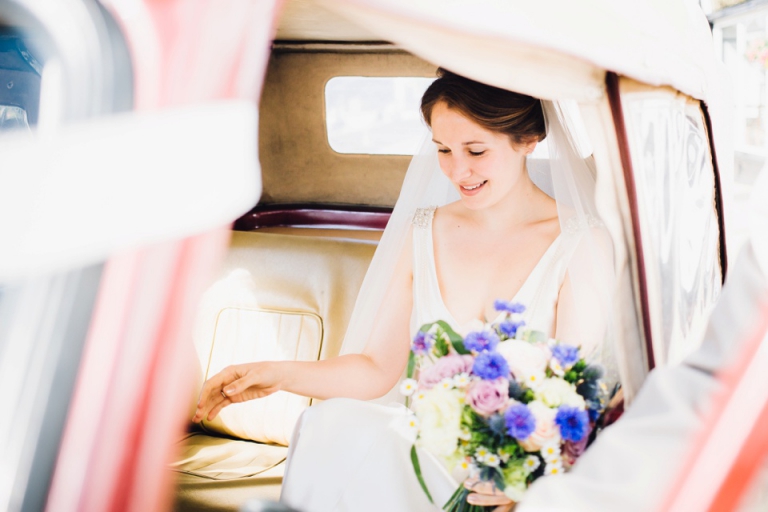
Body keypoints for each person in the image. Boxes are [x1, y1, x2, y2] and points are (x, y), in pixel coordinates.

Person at [193, 69, 614, 511]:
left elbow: (575, 399)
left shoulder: (579, 242)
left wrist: (525, 479)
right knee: (330, 422)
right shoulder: (423, 230)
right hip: (421, 449)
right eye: (443, 150)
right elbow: (376, 367)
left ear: (527, 140)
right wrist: (278, 374)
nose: (457, 170)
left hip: (509, 469)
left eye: (475, 150)